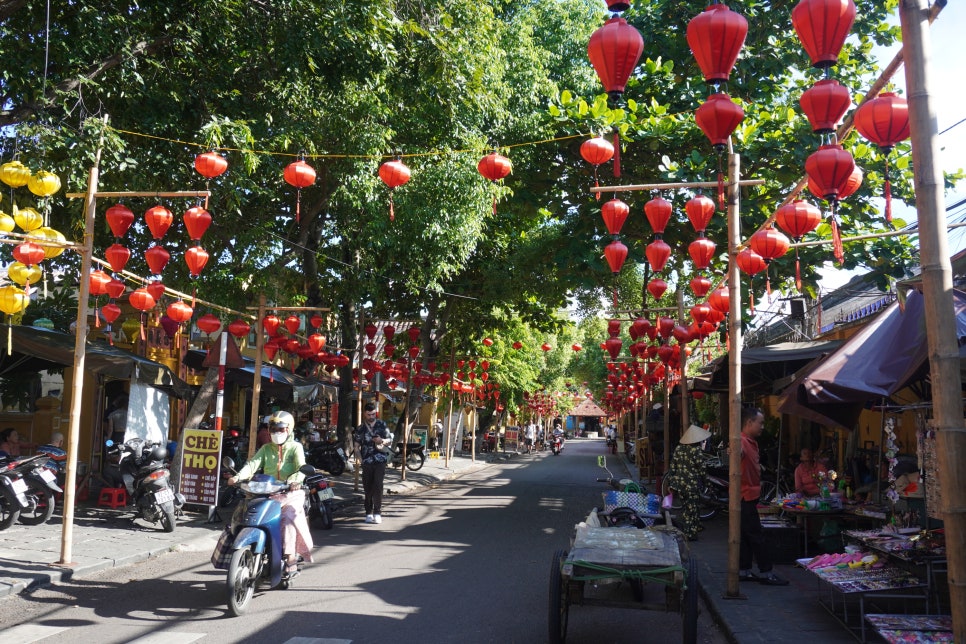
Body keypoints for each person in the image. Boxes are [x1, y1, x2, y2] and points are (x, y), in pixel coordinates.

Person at [227, 410, 313, 575]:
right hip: (267, 492)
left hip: (290, 492)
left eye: (280, 429)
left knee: (288, 517)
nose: (276, 433)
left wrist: (295, 481)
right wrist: (238, 477)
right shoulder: (266, 448)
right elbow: (253, 464)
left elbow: (301, 468)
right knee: (245, 511)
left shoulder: (296, 447)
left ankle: (290, 559)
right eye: (273, 429)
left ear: (288, 429)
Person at [739, 407, 788, 586]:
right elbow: (735, 455)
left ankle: (743, 570)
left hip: (749, 496)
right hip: (743, 497)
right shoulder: (741, 442)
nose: (762, 427)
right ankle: (766, 572)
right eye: (760, 423)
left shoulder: (752, 442)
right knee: (756, 536)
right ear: (749, 423)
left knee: (745, 536)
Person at [666, 424, 711, 541]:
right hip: (692, 486)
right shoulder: (696, 450)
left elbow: (672, 467)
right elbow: (702, 470)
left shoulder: (678, 448)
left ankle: (686, 531)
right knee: (694, 509)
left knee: (686, 508)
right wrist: (707, 484)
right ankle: (691, 533)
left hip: (679, 485)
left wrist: (670, 483)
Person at [352, 402, 391, 524]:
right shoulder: (361, 428)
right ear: (365, 414)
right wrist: (360, 459)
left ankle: (377, 512)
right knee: (368, 487)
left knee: (378, 486)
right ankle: (368, 512)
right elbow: (356, 446)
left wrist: (382, 440)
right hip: (367, 461)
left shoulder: (382, 425)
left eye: (373, 414)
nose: (371, 416)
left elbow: (390, 441)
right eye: (369, 414)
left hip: (380, 460)